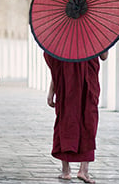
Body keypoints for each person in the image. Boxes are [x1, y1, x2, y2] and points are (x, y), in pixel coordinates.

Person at [45, 51, 108, 184]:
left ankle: (66, 171)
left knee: (66, 120)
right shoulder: (94, 34)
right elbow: (104, 56)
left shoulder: (63, 37)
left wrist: (51, 91)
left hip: (67, 84)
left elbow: (57, 66)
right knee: (88, 121)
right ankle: (83, 170)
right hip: (88, 83)